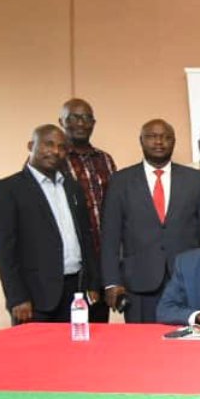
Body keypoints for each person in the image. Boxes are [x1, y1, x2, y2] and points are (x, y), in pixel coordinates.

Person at [0, 124, 100, 324]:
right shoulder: (7, 190)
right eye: (48, 144)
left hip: (76, 292)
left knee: (77, 354)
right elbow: (4, 250)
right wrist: (17, 297)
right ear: (31, 145)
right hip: (35, 297)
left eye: (62, 147)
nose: (55, 151)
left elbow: (85, 237)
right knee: (37, 355)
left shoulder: (72, 188)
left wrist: (92, 282)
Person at [101, 119, 200, 323]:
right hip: (138, 282)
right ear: (141, 141)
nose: (159, 142)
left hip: (186, 279)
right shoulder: (120, 181)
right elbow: (110, 236)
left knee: (186, 346)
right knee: (142, 349)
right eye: (152, 136)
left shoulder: (195, 179)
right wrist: (111, 282)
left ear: (174, 142)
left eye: (165, 137)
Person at [59, 97, 117, 322]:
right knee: (62, 334)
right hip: (68, 265)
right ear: (62, 121)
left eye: (87, 118)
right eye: (74, 117)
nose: (81, 123)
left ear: (94, 123)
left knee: (97, 327)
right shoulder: (53, 159)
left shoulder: (105, 159)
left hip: (102, 261)